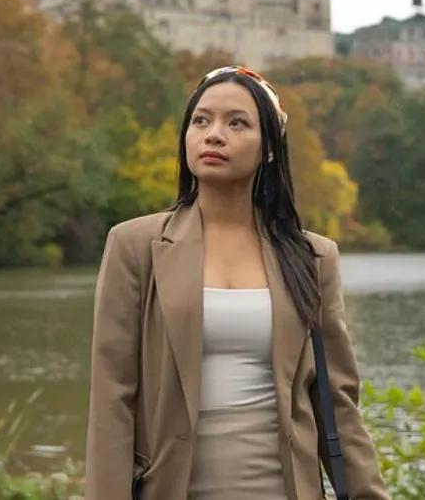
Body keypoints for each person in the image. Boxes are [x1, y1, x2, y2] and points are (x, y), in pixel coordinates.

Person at [85, 65, 389, 500]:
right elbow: (112, 398)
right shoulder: (136, 247)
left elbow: (336, 403)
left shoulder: (312, 257)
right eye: (201, 120)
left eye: (237, 123)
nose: (213, 135)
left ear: (268, 148)